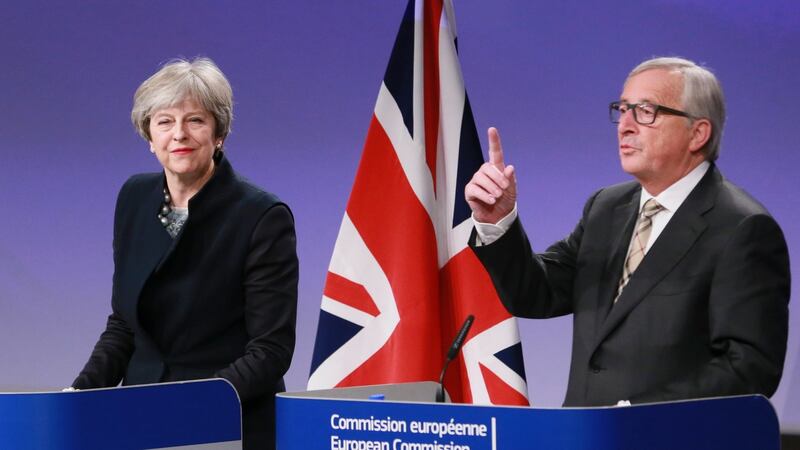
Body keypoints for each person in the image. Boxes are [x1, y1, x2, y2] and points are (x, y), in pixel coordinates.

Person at [464, 57, 790, 406]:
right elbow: (537, 293)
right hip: (583, 437)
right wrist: (499, 221)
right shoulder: (607, 207)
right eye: (622, 109)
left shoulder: (742, 229)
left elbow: (748, 369)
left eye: (646, 111)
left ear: (698, 133)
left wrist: (638, 415)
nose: (625, 125)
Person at [71, 57, 298, 449]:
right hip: (142, 421)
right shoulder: (133, 198)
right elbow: (124, 325)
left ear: (219, 133)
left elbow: (270, 351)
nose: (179, 134)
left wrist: (190, 406)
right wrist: (78, 395)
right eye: (164, 121)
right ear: (149, 137)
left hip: (228, 423)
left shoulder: (261, 215)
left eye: (195, 120)